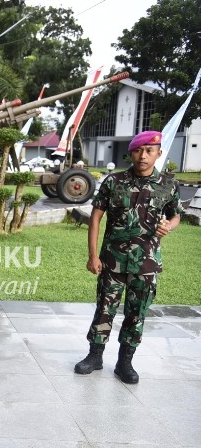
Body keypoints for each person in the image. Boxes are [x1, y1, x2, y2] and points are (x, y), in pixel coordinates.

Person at [74, 130, 183, 384]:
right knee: (104, 309)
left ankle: (125, 362)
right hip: (112, 260)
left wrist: (170, 225)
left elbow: (175, 214)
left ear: (158, 153)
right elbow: (96, 217)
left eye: (149, 150)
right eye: (138, 150)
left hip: (146, 263)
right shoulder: (114, 181)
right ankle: (95, 356)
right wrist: (93, 255)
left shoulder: (168, 184)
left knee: (137, 313)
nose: (143, 156)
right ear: (131, 152)